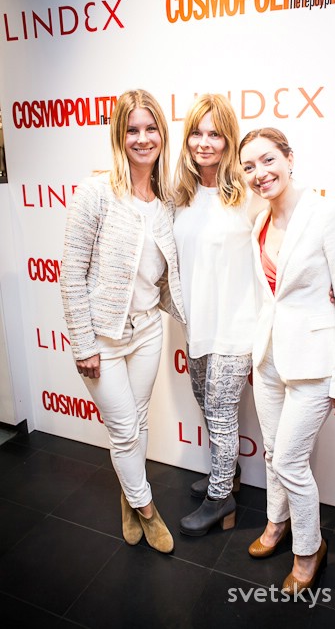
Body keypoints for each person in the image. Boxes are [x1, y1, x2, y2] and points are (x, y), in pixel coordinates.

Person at [60, 89, 185, 553]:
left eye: (151, 128)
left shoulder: (167, 200)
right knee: (125, 429)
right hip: (102, 337)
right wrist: (83, 344)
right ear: (119, 135)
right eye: (132, 129)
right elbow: (71, 273)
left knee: (137, 421)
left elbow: (171, 269)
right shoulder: (95, 193)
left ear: (162, 134)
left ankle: (129, 494)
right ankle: (147, 509)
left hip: (148, 329)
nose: (142, 138)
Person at [239, 127, 335, 593]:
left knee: (290, 461)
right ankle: (276, 523)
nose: (259, 173)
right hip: (270, 357)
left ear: (289, 158)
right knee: (274, 453)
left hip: (314, 362)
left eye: (268, 159)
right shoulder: (259, 221)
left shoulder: (328, 213)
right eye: (249, 166)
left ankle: (309, 549)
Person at [173, 94, 262, 536]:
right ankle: (228, 475)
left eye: (215, 134)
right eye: (196, 133)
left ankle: (220, 498)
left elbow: (286, 234)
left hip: (235, 326)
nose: (204, 143)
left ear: (229, 140)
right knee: (207, 405)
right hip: (198, 326)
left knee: (223, 413)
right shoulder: (181, 195)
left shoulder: (249, 194)